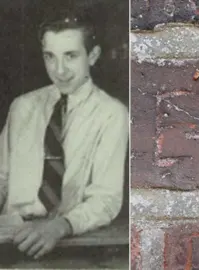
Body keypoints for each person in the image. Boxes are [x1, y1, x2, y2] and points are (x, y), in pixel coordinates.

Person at [0, 11, 128, 260]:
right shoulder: (23, 106)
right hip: (11, 236)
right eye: (50, 57)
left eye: (70, 56)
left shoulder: (112, 114)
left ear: (92, 56)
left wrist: (60, 226)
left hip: (69, 241)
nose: (59, 70)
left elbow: (106, 199)